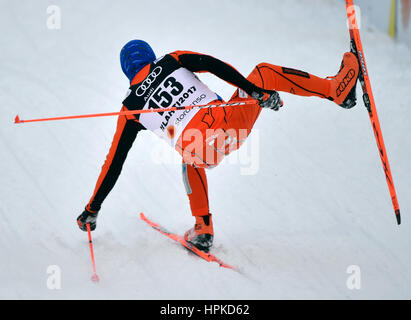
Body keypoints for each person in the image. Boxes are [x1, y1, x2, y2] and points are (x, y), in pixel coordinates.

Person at [77, 39, 359, 252]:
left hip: (202, 150)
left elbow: (114, 163)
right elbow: (213, 65)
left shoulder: (130, 108)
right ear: (150, 56)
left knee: (189, 157)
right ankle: (336, 90)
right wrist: (254, 90)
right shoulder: (170, 60)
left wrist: (93, 208)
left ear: (127, 71)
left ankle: (203, 228)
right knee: (263, 71)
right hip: (229, 124)